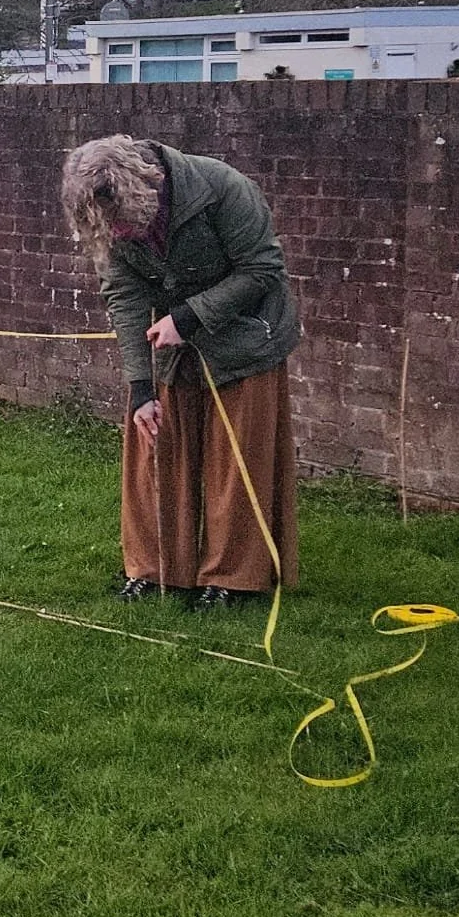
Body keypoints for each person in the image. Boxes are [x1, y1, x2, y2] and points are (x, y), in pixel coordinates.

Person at [60, 135, 302, 610]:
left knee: (235, 463)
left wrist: (188, 317)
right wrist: (139, 387)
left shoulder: (223, 188)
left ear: (144, 188)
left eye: (121, 219)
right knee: (155, 446)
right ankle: (155, 570)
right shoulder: (107, 215)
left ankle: (234, 578)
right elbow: (125, 297)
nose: (115, 231)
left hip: (247, 336)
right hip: (173, 342)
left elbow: (262, 269)